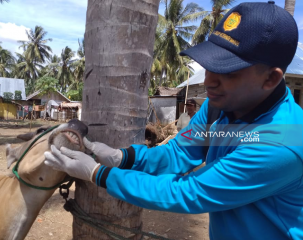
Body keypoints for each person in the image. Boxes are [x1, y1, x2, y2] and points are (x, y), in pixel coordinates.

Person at [44, 2, 303, 240]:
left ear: (270, 79)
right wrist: (124, 158)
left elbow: (187, 193)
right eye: (209, 63)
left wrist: (97, 173)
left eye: (228, 71)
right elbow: (180, 152)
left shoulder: (281, 142)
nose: (210, 80)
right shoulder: (221, 108)